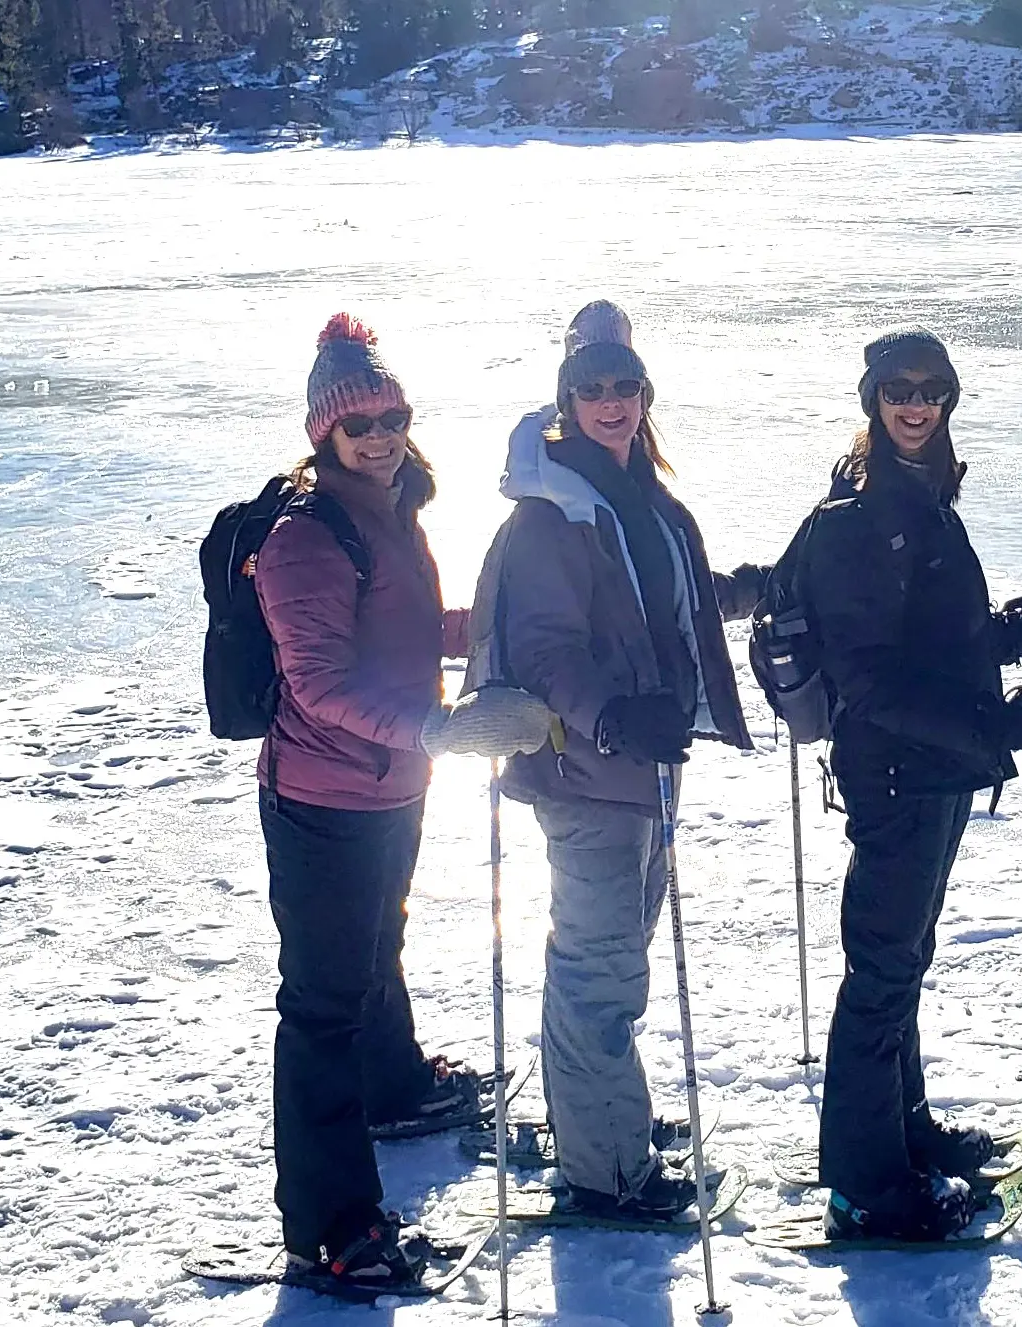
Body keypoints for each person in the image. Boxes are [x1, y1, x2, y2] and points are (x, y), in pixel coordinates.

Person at [253, 314, 549, 1294]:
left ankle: (396, 1085)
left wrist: (509, 633)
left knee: (378, 949)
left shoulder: (393, 516)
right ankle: (331, 1231)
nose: (379, 435)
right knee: (322, 1005)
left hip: (390, 787)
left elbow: (421, 628)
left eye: (391, 415)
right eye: (358, 423)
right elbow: (320, 682)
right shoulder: (304, 539)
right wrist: (438, 728)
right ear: (322, 434)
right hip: (324, 797)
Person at [802, 330, 1022, 1241]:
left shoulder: (921, 498)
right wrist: (993, 723)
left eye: (930, 391)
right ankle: (866, 1181)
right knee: (880, 970)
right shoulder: (859, 517)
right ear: (872, 402)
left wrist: (1004, 630)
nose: (914, 405)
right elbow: (871, 676)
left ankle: (904, 1130)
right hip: (895, 772)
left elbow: (928, 640)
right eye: (896, 392)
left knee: (903, 960)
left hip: (933, 767)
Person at [489, 330, 766, 1220]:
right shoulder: (549, 513)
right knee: (597, 969)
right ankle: (605, 1172)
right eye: (592, 387)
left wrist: (758, 588)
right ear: (566, 401)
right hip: (586, 771)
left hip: (645, 766)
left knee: (615, 962)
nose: (611, 400)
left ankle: (605, 1122)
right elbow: (544, 647)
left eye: (626, 385)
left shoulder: (639, 496)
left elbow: (665, 604)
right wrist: (611, 715)